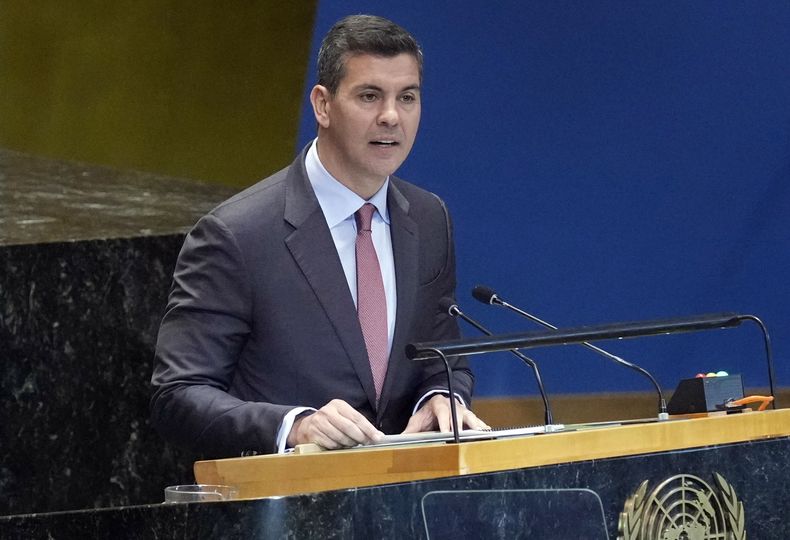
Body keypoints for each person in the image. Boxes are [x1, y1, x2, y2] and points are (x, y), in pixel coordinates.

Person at [150, 14, 487, 459]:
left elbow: (444, 357)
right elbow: (177, 396)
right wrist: (295, 426)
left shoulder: (428, 218)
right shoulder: (236, 235)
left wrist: (442, 396)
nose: (391, 116)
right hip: (285, 507)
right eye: (370, 96)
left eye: (407, 97)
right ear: (322, 105)